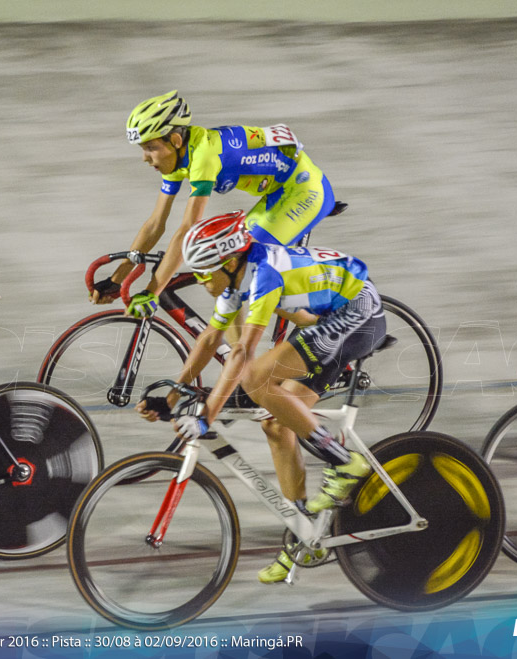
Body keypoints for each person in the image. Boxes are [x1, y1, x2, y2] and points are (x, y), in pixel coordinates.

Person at [136, 211, 386, 584]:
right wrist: (171, 399)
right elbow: (209, 340)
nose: (202, 283)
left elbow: (242, 356)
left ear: (231, 261)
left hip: (357, 317)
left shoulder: (263, 276)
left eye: (206, 274)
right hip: (327, 319)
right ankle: (305, 536)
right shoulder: (236, 275)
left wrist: (205, 416)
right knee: (275, 423)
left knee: (255, 379)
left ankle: (342, 460)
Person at [90, 91, 337, 318]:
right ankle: (237, 358)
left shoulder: (204, 156)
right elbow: (156, 223)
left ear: (175, 139)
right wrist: (118, 278)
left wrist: (152, 291)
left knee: (241, 274)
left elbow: (187, 229)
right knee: (226, 269)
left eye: (150, 148)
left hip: (304, 190)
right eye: (143, 148)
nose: (144, 157)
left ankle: (324, 336)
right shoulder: (176, 156)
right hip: (280, 192)